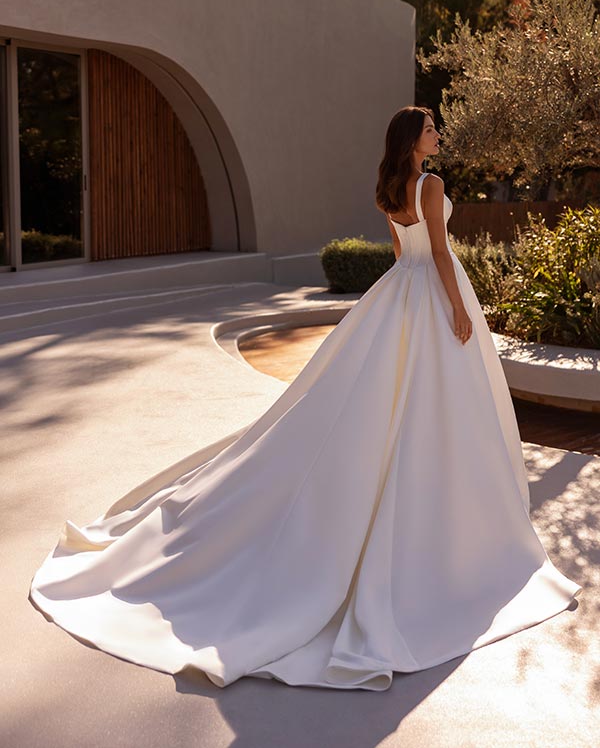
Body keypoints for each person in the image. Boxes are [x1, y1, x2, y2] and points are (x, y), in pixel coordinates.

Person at [29, 105, 581, 692]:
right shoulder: (431, 184)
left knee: (382, 402)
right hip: (432, 293)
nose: (437, 134)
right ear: (412, 141)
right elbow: (440, 254)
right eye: (430, 129)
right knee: (434, 407)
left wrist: (416, 296)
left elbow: (401, 256)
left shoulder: (391, 187)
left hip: (398, 294)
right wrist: (457, 309)